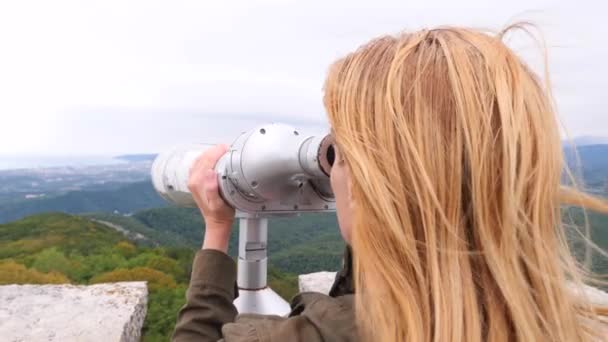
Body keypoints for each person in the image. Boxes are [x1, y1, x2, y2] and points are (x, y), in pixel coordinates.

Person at [172, 25, 608, 342]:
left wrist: (216, 230)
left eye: (338, 152)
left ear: (372, 187)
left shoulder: (322, 334)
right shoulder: (571, 322)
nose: (331, 167)